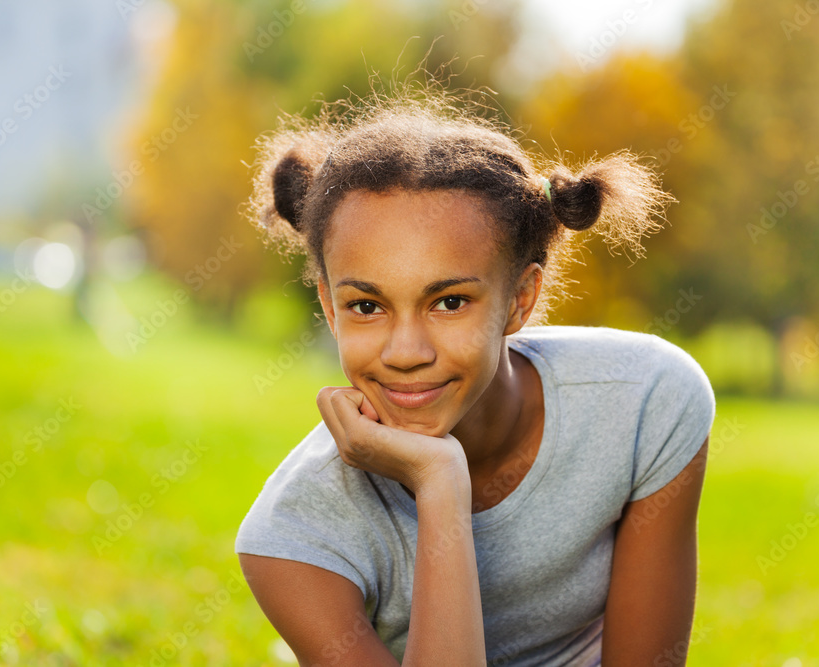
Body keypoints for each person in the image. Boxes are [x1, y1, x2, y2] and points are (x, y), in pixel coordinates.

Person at [235, 87, 715, 666]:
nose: (406, 351)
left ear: (520, 299)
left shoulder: (647, 403)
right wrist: (438, 484)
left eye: (449, 302)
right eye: (367, 306)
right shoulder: (291, 536)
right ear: (331, 310)